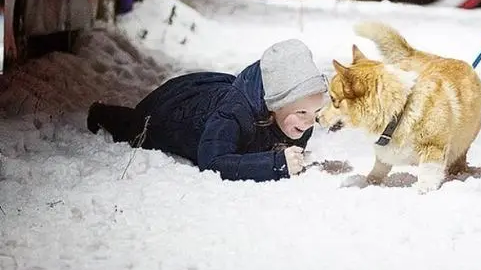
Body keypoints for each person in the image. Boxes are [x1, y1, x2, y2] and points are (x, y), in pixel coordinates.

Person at [86, 39, 328, 182]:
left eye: (315, 112)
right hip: (175, 110)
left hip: (218, 90)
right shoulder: (234, 114)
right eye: (303, 113)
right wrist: (275, 164)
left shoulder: (297, 118)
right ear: (276, 102)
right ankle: (101, 112)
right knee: (137, 127)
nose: (310, 123)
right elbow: (212, 161)